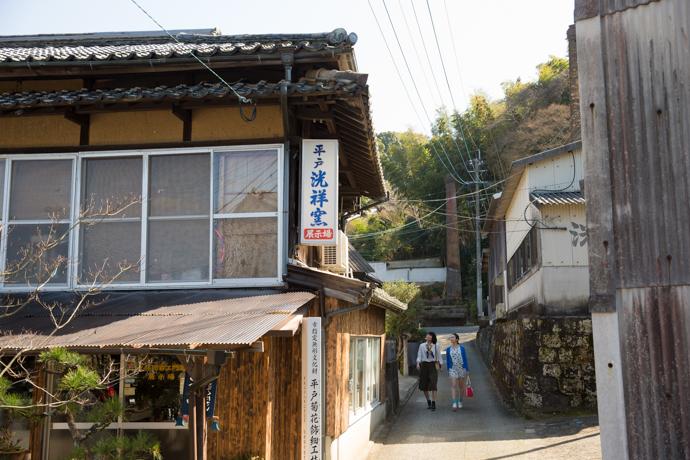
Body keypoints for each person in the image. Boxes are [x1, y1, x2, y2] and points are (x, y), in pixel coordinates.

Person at [416, 332, 441, 411]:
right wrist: (417, 363)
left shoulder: (436, 346)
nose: (428, 337)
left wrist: (440, 365)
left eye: (430, 336)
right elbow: (419, 355)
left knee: (433, 384)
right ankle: (428, 401)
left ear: (432, 337)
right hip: (424, 366)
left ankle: (433, 403)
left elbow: (439, 356)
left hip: (433, 365)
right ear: (425, 337)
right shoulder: (422, 345)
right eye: (427, 336)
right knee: (424, 386)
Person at [445, 333, 469, 411]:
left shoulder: (462, 348)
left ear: (457, 339)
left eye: (453, 337)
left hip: (462, 369)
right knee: (453, 385)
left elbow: (465, 359)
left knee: (461, 387)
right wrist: (448, 369)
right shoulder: (448, 349)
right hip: (453, 369)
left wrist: (467, 369)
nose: (451, 338)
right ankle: (454, 403)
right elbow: (448, 359)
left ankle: (460, 401)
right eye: (450, 337)